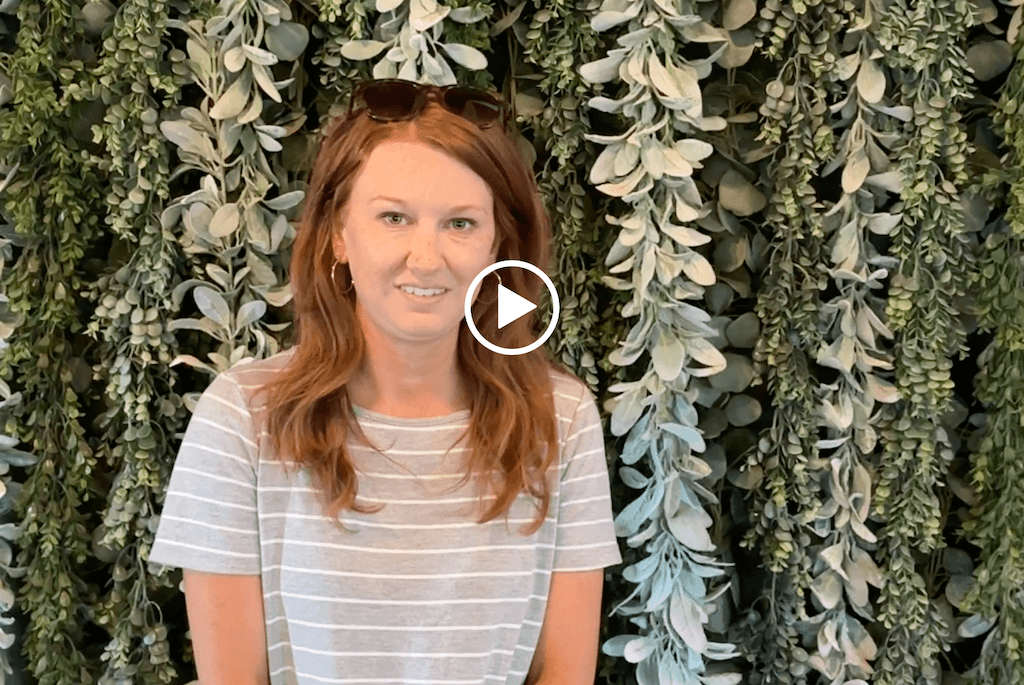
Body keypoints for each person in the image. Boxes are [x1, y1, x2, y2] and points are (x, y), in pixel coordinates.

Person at [148, 78, 622, 685]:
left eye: (460, 224)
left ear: (500, 244)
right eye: (394, 217)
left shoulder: (560, 416)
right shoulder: (243, 417)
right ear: (338, 235)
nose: (426, 258)